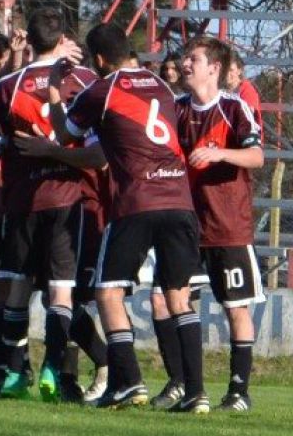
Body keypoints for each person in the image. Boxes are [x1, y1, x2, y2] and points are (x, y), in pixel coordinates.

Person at [50, 22, 207, 412]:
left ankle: (129, 383)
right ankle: (197, 393)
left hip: (137, 202)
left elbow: (64, 133)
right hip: (180, 200)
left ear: (99, 59)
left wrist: (55, 87)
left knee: (107, 292)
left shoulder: (101, 90)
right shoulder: (162, 87)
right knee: (178, 297)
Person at [0, 8, 96, 402]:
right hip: (67, 197)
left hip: (22, 200)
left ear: (28, 41)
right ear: (62, 37)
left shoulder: (7, 87)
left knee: (18, 286)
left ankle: (16, 374)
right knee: (61, 292)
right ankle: (53, 367)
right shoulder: (83, 81)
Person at [174, 37, 265, 411]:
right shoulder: (174, 109)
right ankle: (190, 388)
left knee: (236, 309)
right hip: (184, 225)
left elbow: (257, 156)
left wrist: (219, 153)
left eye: (192, 58)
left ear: (213, 67)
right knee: (175, 301)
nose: (184, 64)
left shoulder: (233, 108)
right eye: (183, 58)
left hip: (227, 226)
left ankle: (239, 390)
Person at [225, 48, 264, 130]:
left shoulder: (247, 91)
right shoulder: (221, 90)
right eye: (224, 70)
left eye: (231, 70)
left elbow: (248, 121)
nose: (227, 74)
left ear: (239, 70)